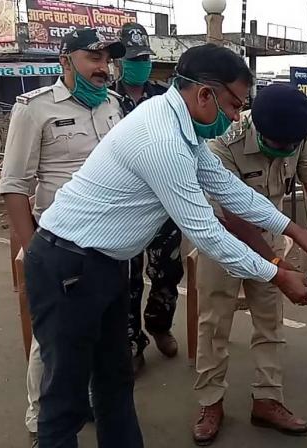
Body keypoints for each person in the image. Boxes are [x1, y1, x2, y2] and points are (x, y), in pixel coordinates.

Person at [24, 43, 307, 448]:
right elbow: (206, 231)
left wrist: (295, 230)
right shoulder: (162, 140)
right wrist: (278, 273)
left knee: (113, 379)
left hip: (103, 265)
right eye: (232, 105)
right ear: (205, 94)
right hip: (69, 265)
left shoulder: (180, 126)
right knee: (64, 396)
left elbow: (229, 188)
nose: (236, 116)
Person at [192, 84, 307, 445]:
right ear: (257, 129)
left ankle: (268, 399)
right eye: (276, 145)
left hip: (274, 234)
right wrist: (278, 269)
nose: (283, 152)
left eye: (289, 147)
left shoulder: (301, 130)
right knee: (214, 324)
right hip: (224, 240)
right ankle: (210, 402)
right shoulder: (224, 140)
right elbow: (235, 216)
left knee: (270, 324)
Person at [0, 28, 126, 448]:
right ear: (65, 61)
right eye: (93, 58)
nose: (103, 68)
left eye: (107, 59)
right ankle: (42, 421)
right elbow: (14, 185)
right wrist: (33, 249)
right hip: (56, 246)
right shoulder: (34, 108)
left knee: (98, 340)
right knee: (50, 342)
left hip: (107, 245)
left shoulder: (113, 105)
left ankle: (85, 403)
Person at [115, 22, 180, 370]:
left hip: (163, 202)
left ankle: (160, 326)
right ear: (118, 62)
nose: (139, 65)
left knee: (167, 271)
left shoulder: (164, 98)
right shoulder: (107, 98)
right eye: (132, 59)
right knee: (127, 277)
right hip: (123, 206)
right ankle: (130, 339)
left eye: (143, 59)